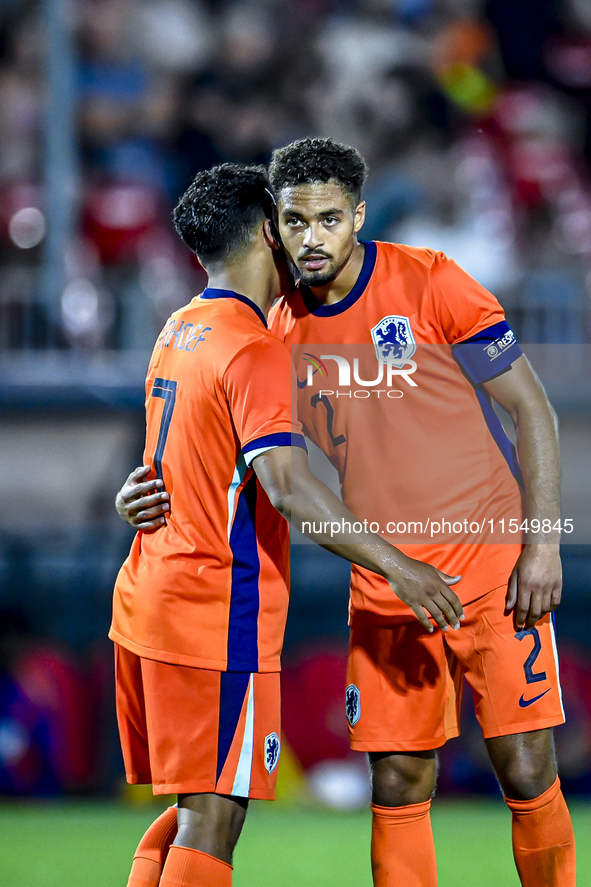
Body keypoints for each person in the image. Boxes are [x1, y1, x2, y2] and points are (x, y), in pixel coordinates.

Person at [119, 139, 575, 886]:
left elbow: (532, 408)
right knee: (396, 777)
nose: (311, 238)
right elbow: (241, 446)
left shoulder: (431, 282)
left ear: (358, 215)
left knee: (524, 767)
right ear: (276, 227)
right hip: (389, 579)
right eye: (295, 221)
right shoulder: (277, 327)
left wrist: (543, 543)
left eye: (329, 218)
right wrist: (136, 490)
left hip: (491, 562)